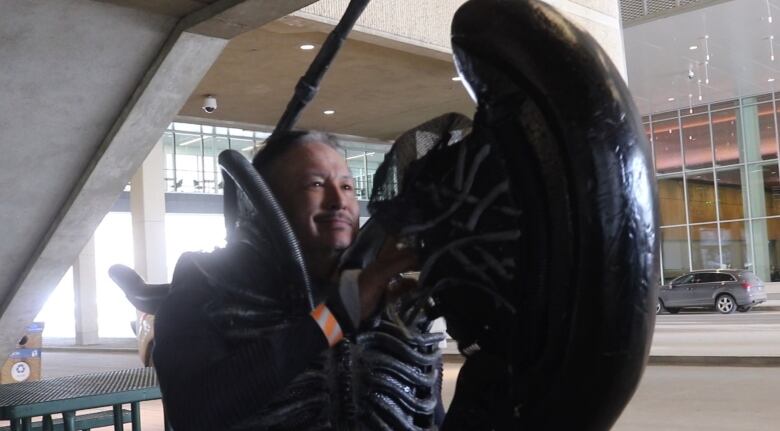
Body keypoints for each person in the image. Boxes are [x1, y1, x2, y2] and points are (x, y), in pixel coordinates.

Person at [153, 130, 441, 430]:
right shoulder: (205, 285)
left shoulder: (393, 300)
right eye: (315, 184)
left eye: (347, 186)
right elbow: (193, 411)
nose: (338, 200)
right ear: (267, 201)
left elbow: (429, 413)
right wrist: (336, 318)